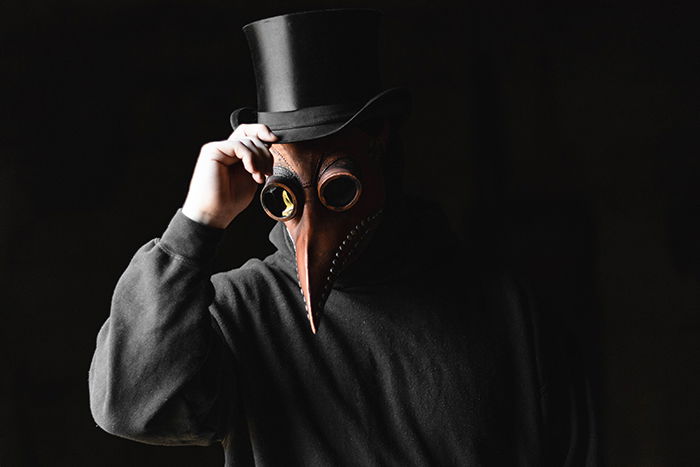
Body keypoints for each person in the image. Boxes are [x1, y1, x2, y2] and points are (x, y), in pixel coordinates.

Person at [89, 8, 598, 466]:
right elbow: (133, 407)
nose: (311, 222)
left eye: (338, 187)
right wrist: (195, 226)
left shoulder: (506, 309)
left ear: (380, 146)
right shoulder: (238, 313)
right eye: (285, 195)